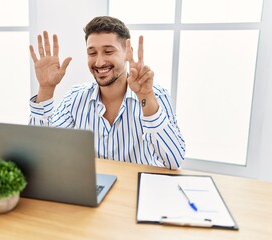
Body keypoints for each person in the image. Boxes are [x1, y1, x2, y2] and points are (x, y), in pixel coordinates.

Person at [29, 16, 185, 169]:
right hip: (93, 190)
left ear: (127, 53)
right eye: (92, 53)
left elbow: (174, 161)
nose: (99, 62)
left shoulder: (156, 96)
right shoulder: (75, 98)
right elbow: (41, 151)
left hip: (137, 189)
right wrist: (46, 89)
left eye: (108, 51)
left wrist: (146, 98)